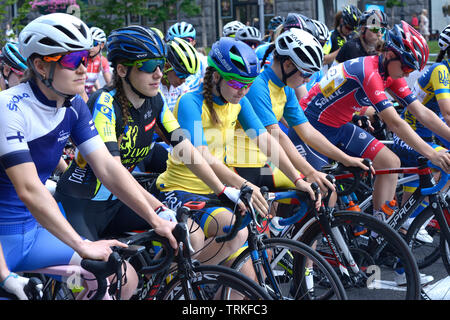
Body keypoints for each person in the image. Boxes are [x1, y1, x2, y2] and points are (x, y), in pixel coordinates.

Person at [0, 13, 160, 299]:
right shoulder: (8, 107)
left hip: (36, 233)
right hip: (4, 240)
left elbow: (109, 169)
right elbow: (28, 189)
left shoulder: (74, 106)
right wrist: (81, 244)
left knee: (120, 276)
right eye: (74, 61)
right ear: (39, 65)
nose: (84, 69)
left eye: (86, 58)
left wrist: (157, 215)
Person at [54, 26, 245, 264]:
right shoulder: (104, 102)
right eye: (147, 65)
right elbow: (113, 170)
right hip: (82, 204)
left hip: (117, 202)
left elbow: (186, 149)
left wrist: (222, 189)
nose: (158, 73)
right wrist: (156, 210)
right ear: (122, 70)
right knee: (109, 278)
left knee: (190, 237)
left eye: (161, 64)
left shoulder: (155, 100)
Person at [155, 37, 319, 266]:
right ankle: (175, 281)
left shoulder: (238, 103)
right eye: (236, 83)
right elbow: (203, 155)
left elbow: (266, 141)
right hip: (179, 189)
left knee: (249, 278)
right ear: (216, 76)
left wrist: (298, 178)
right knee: (228, 232)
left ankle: (198, 281)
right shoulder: (189, 101)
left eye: (248, 84)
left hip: (215, 191)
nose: (243, 90)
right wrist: (243, 184)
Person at [288, 21, 450, 221]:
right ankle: (305, 249)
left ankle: (379, 234)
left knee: (390, 161)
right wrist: (432, 153)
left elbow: (421, 112)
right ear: (390, 55)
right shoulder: (368, 72)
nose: (408, 74)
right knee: (325, 194)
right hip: (310, 128)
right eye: (407, 67)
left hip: (338, 127)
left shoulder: (389, 72)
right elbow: (395, 123)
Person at [239, 28, 368, 195]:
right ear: (288, 65)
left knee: (323, 189)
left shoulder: (286, 88)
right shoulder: (258, 85)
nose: (307, 80)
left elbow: (307, 132)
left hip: (263, 163)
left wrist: (346, 159)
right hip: (243, 163)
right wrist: (310, 172)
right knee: (314, 187)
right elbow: (277, 137)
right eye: (305, 73)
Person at [390, 24, 450, 241]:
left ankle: (399, 271)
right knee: (447, 165)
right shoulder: (441, 70)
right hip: (408, 138)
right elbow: (448, 113)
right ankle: (424, 215)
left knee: (406, 213)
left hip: (423, 136)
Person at [166, 21, 207, 89]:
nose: (181, 44)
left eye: (186, 40)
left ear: (194, 42)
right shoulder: (166, 62)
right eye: (175, 40)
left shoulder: (203, 60)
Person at [84, 26, 112, 97]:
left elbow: (109, 83)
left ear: (102, 45)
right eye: (89, 43)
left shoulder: (102, 61)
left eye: (94, 43)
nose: (91, 47)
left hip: (88, 93)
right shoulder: (82, 58)